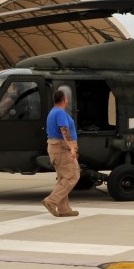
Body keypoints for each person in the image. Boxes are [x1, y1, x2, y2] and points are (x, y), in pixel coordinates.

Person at [43, 88, 80, 217]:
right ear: (65, 100)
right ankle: (51, 201)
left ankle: (64, 209)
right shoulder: (60, 113)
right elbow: (64, 130)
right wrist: (71, 147)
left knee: (63, 178)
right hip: (62, 149)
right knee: (73, 176)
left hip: (56, 148)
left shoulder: (53, 112)